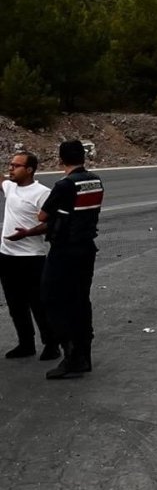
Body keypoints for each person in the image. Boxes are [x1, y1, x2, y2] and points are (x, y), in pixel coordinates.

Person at [38, 141, 102, 379]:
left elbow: (42, 214)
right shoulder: (95, 180)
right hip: (86, 248)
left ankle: (71, 355)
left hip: (65, 250)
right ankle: (84, 355)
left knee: (53, 300)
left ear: (60, 159)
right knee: (80, 301)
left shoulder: (64, 185)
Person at [0, 151, 57, 361]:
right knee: (15, 304)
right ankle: (25, 343)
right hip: (7, 257)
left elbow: (52, 222)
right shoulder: (10, 187)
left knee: (39, 304)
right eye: (10, 164)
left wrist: (28, 233)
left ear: (30, 170)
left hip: (32, 258)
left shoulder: (42, 193)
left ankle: (51, 344)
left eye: (16, 165)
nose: (10, 168)